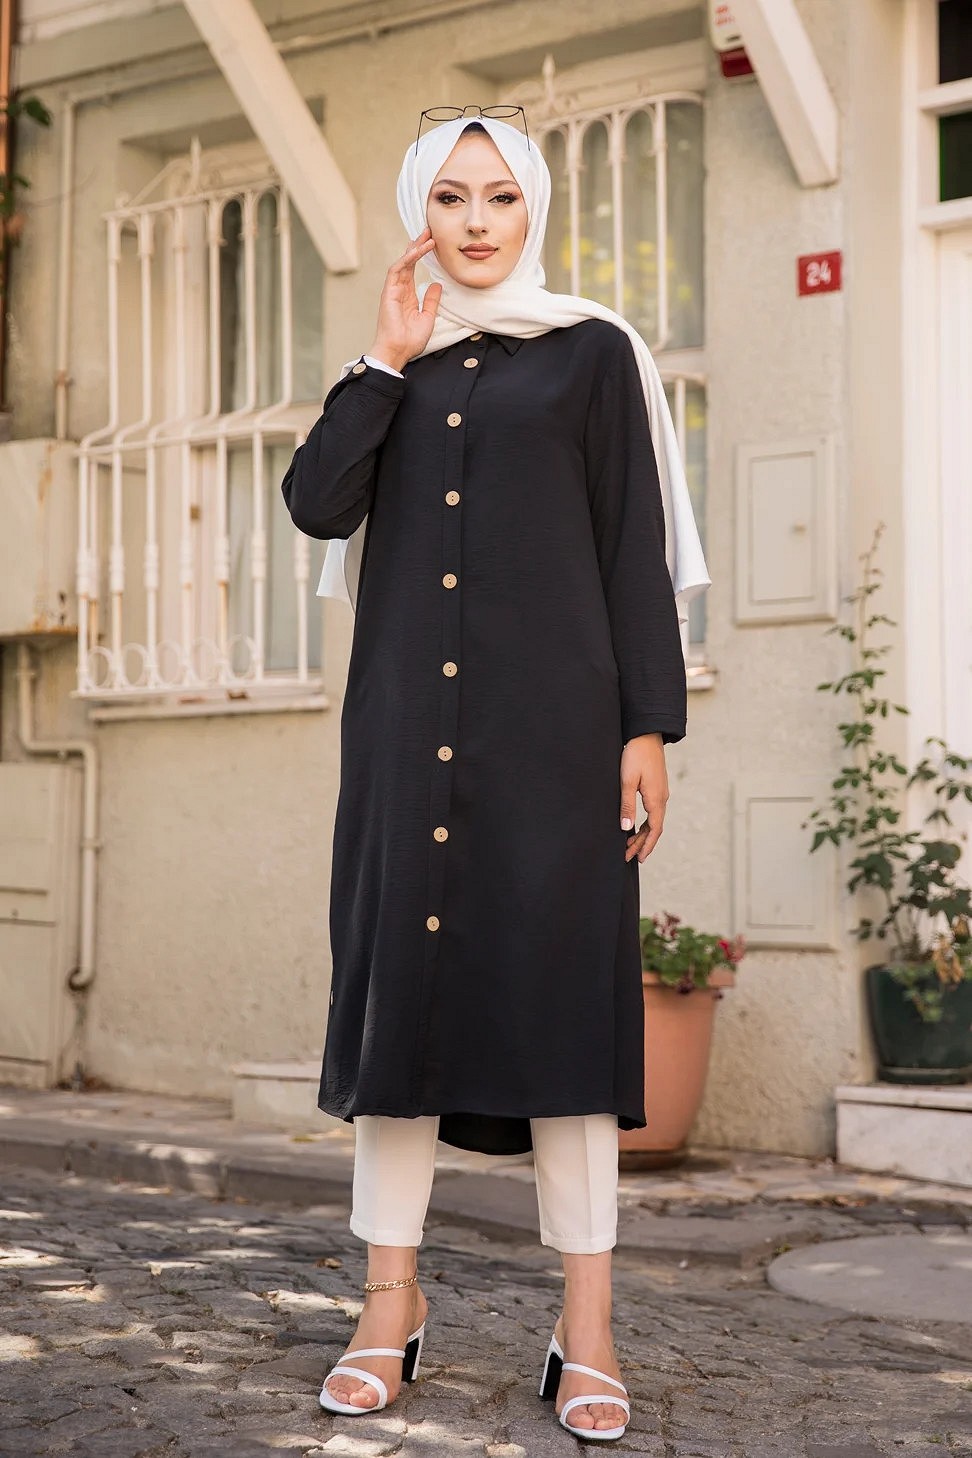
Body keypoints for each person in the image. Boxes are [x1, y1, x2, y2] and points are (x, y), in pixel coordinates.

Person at [281, 107, 710, 1442]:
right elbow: (316, 503)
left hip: (558, 737)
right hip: (407, 733)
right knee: (399, 1016)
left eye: (501, 196)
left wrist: (647, 726)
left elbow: (634, 545)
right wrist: (382, 359)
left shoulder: (594, 352)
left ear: (534, 209)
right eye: (452, 197)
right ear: (421, 212)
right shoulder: (393, 365)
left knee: (568, 1020)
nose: (476, 221)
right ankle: (387, 1305)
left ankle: (588, 1328)